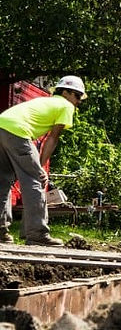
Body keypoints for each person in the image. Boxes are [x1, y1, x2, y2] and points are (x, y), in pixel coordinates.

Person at [0, 75, 86, 247]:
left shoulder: (47, 101)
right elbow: (52, 139)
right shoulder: (66, 106)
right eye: (77, 96)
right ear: (67, 93)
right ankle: (37, 234)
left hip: (2, 124)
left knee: (2, 181)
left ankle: (1, 232)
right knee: (35, 181)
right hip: (18, 131)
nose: (78, 102)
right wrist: (40, 169)